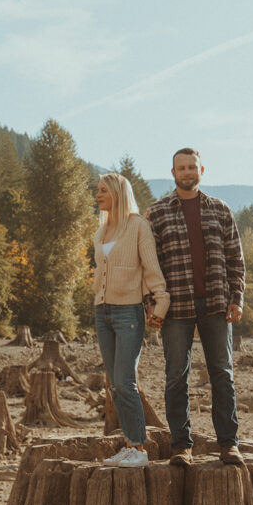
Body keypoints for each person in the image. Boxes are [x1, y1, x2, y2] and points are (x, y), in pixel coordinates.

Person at [146, 148, 245, 466]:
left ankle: (228, 444)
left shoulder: (220, 209)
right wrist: (153, 305)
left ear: (202, 169)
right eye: (181, 168)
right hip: (176, 309)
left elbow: (235, 259)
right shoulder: (157, 213)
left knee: (223, 374)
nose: (187, 172)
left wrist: (237, 298)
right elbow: (150, 265)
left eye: (192, 167)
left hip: (217, 304)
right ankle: (181, 447)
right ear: (172, 173)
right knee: (176, 376)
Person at [94, 172, 170, 467]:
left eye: (103, 190)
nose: (97, 195)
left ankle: (139, 449)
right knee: (114, 385)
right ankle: (129, 445)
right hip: (103, 312)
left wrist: (160, 303)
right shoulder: (101, 232)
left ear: (117, 194)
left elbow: (151, 268)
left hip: (128, 313)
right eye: (97, 190)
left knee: (126, 382)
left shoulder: (139, 226)